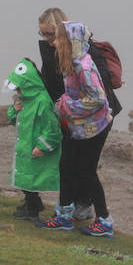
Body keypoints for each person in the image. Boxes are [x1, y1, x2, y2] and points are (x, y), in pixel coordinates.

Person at [38, 12, 117, 237]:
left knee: (86, 171)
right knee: (66, 166)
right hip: (79, 125)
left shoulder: (84, 65)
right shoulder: (71, 61)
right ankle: (64, 215)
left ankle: (104, 221)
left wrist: (65, 106)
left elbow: (98, 98)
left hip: (94, 126)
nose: (52, 42)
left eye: (57, 39)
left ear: (69, 42)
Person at [4, 58, 62, 221]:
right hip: (25, 144)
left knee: (32, 177)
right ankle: (32, 202)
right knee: (24, 175)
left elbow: (52, 129)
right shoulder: (25, 101)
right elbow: (15, 119)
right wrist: (13, 111)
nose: (18, 93)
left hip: (35, 147)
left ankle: (32, 208)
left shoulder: (42, 102)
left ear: (28, 85)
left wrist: (42, 146)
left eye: (20, 89)